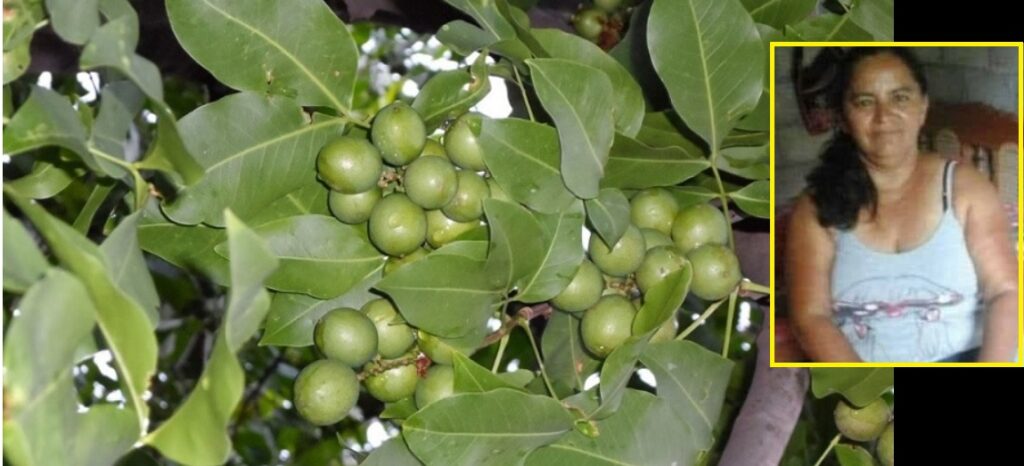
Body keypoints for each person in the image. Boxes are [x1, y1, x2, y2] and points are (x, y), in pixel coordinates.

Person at [785, 47, 1018, 363]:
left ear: (923, 107)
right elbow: (810, 317)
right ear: (843, 117)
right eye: (865, 102)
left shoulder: (965, 187)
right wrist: (863, 389)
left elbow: (1006, 292)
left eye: (900, 98)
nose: (884, 117)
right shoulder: (815, 207)